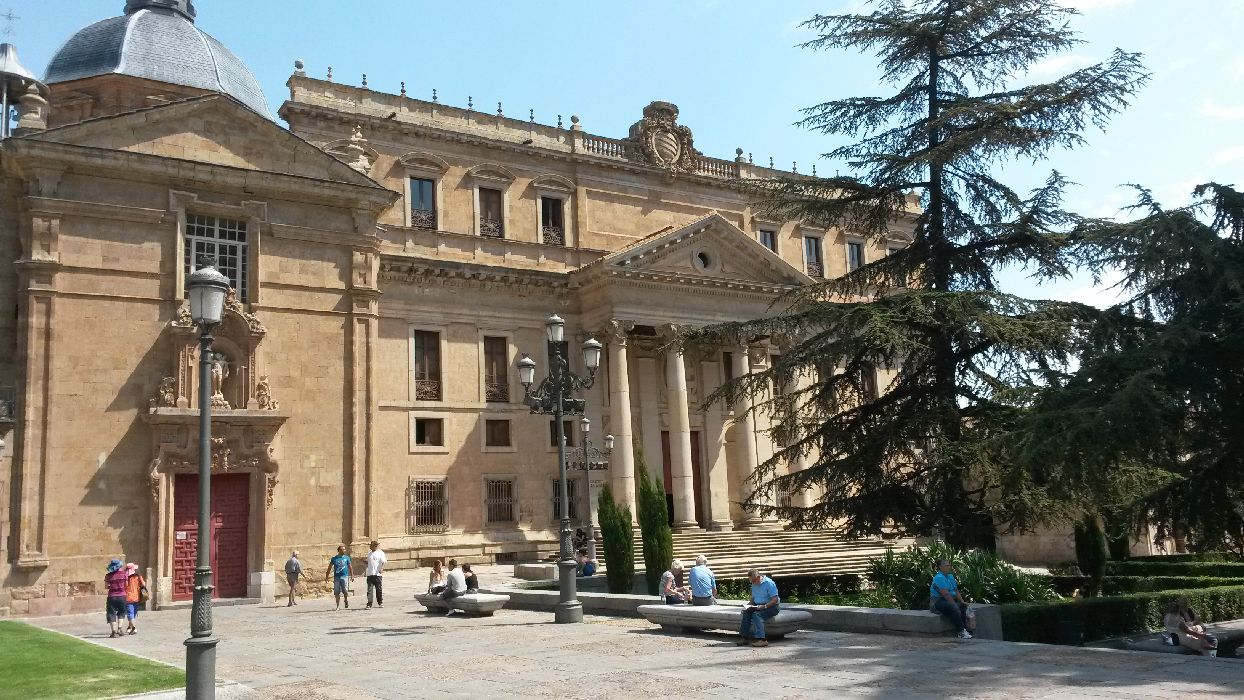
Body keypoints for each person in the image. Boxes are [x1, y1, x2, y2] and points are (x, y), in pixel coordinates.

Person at [930, 558, 972, 640]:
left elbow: (956, 590)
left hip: (948, 599)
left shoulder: (950, 576)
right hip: (938, 602)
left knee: (962, 606)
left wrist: (962, 601)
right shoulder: (939, 577)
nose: (949, 567)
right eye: (946, 566)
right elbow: (945, 594)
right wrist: (954, 605)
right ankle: (961, 632)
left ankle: (965, 629)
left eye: (949, 565)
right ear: (940, 567)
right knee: (953, 607)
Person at [737, 568, 780, 647]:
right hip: (758, 606)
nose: (752, 583)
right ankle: (744, 638)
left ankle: (762, 640)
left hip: (772, 606)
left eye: (753, 581)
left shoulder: (769, 583)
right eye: (751, 581)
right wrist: (748, 606)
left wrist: (765, 606)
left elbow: (775, 600)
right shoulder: (754, 584)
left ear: (758, 577)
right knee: (746, 613)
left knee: (757, 615)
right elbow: (754, 598)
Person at [104, 558, 128, 638]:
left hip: (112, 596)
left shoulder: (108, 576)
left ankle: (113, 632)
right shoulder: (124, 574)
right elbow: (126, 585)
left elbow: (106, 587)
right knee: (121, 612)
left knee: (111, 613)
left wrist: (112, 586)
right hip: (122, 595)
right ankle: (120, 628)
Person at [324, 545, 353, 610]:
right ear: (339, 550)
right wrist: (327, 577)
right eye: (343, 549)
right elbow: (329, 568)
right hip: (337, 577)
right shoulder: (334, 559)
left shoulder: (347, 558)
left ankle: (345, 600)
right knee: (337, 592)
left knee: (345, 591)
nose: (344, 550)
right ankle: (338, 606)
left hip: (344, 577)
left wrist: (352, 576)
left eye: (344, 549)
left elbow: (350, 567)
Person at [123, 563, 146, 635]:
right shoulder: (138, 576)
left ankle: (133, 628)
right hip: (136, 597)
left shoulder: (125, 578)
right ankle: (130, 627)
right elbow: (143, 585)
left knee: (130, 613)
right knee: (133, 613)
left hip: (128, 597)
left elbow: (124, 586)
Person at [365, 540, 387, 609]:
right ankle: (369, 604)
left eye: (371, 545)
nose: (370, 546)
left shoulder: (380, 553)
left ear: (375, 546)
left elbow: (383, 561)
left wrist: (382, 568)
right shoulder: (369, 554)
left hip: (377, 574)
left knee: (378, 589)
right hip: (370, 574)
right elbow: (368, 562)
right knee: (369, 590)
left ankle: (380, 602)